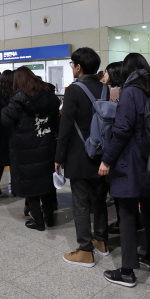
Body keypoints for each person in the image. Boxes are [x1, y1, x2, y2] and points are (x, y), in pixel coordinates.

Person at [99, 53, 150, 287]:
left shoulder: (130, 91)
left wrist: (106, 160)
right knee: (149, 207)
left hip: (130, 159)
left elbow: (122, 130)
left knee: (126, 212)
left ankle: (127, 271)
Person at [56, 48, 110, 267]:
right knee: (100, 200)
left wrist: (58, 157)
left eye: (72, 65)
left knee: (80, 203)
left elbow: (66, 126)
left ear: (78, 67)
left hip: (80, 154)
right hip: (102, 154)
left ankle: (85, 251)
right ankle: (101, 241)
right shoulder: (105, 89)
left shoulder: (73, 90)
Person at [1, 67, 60, 231]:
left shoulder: (18, 99)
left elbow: (5, 119)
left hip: (24, 150)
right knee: (46, 184)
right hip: (46, 145)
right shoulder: (48, 95)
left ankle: (38, 221)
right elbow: (56, 120)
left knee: (31, 186)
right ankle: (50, 219)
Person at [0, 70, 12, 197]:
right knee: (13, 159)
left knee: (0, 161)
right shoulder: (13, 94)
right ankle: (15, 186)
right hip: (11, 130)